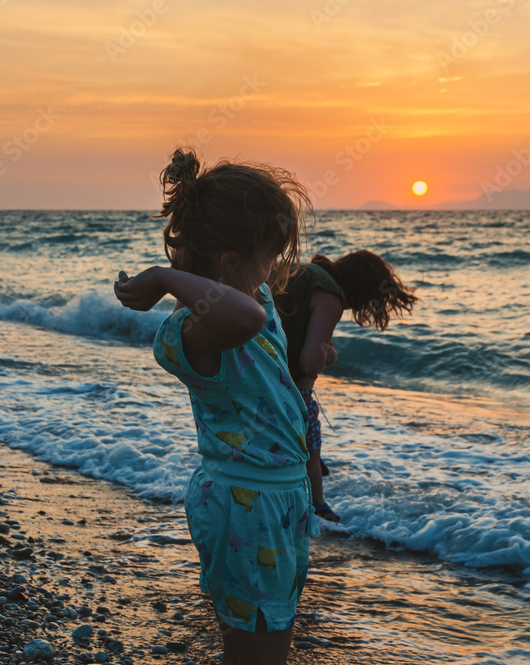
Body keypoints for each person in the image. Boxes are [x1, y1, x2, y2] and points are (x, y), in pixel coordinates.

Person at [113, 147, 319, 665]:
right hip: (247, 502)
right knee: (259, 647)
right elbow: (244, 319)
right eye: (268, 257)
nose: (273, 270)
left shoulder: (256, 300)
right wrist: (163, 278)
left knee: (264, 634)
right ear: (229, 263)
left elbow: (256, 321)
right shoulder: (186, 334)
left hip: (277, 500)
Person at [273, 251, 419, 523]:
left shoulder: (308, 273)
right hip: (282, 385)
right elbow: (308, 363)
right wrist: (327, 354)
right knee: (311, 437)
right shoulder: (330, 295)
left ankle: (308, 468)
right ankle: (318, 504)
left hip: (253, 364)